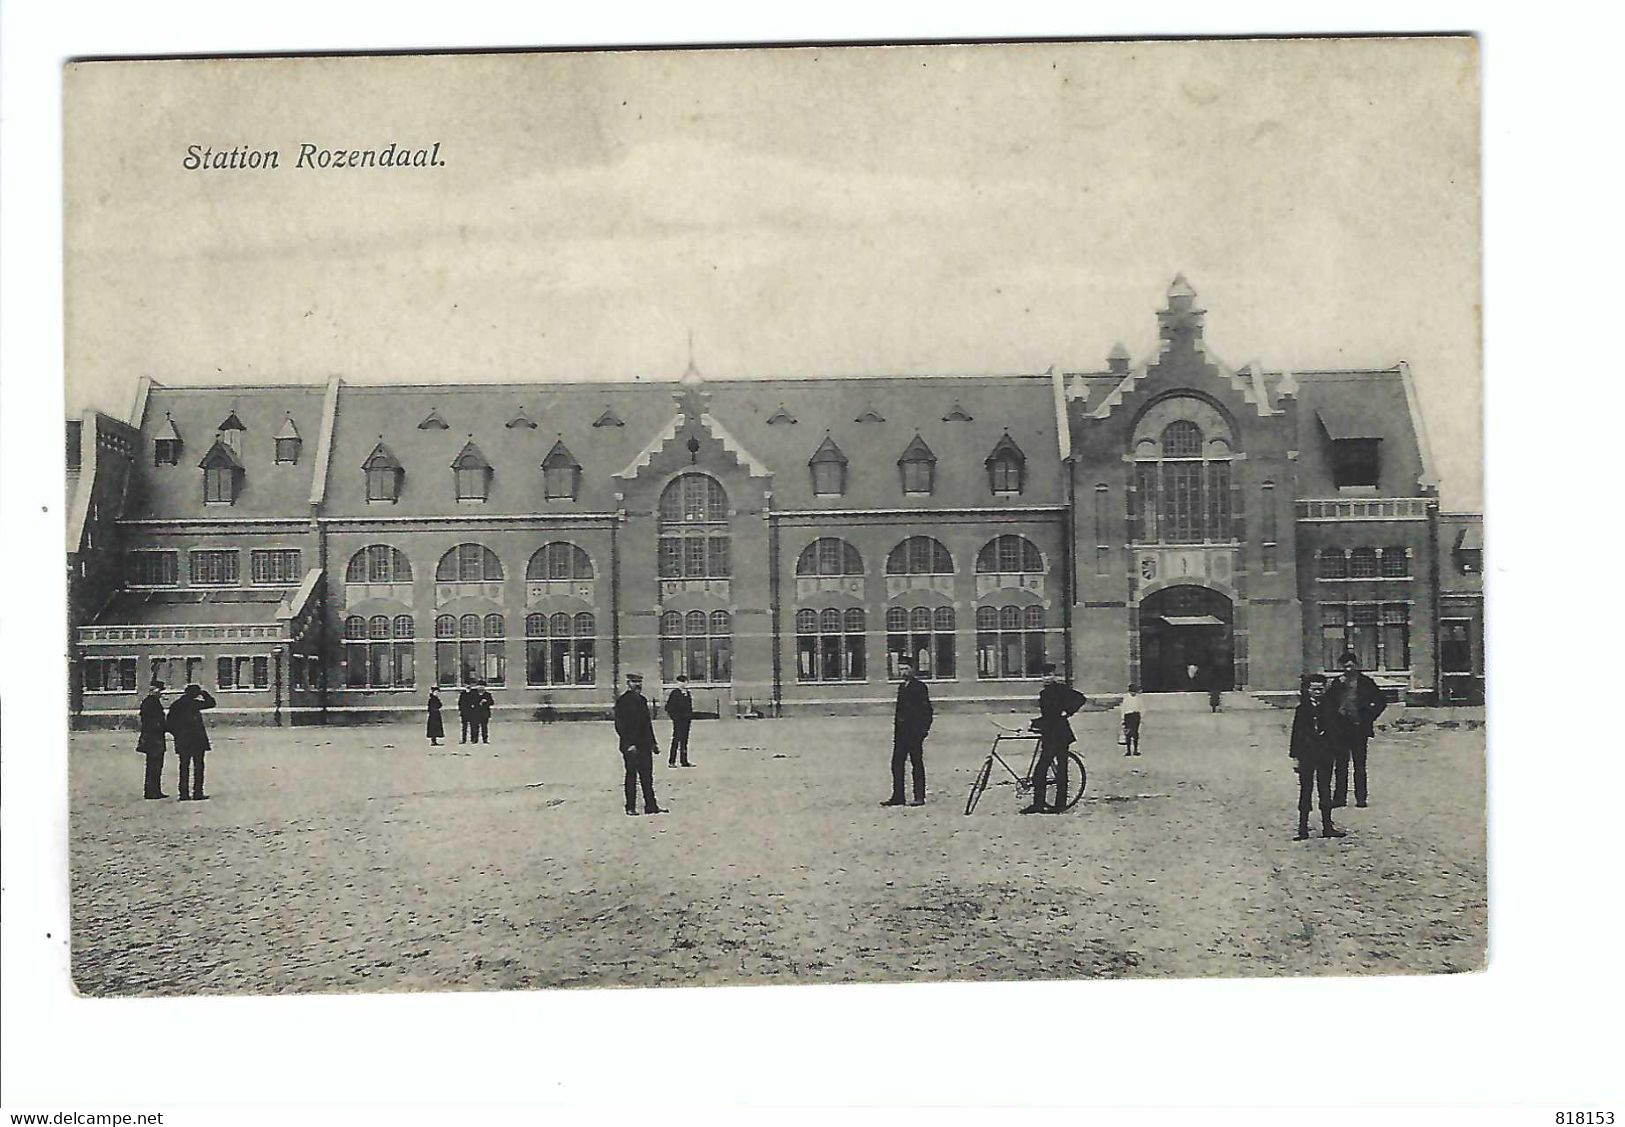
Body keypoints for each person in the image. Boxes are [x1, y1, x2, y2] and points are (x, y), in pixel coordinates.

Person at [1325, 650, 1387, 809]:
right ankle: (1339, 798)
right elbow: (1328, 704)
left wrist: (1369, 717)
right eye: (1345, 667)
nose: (1348, 670)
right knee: (1340, 765)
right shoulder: (1337, 684)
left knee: (1359, 766)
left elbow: (1381, 701)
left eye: (1351, 666)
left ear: (1357, 666)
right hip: (1340, 730)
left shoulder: (1366, 682)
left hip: (1359, 729)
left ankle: (1361, 798)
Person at [1025, 663, 1088, 814]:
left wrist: (1068, 712)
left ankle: (1048, 805)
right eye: (1043, 676)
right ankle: (1047, 805)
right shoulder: (1043, 693)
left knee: (1046, 770)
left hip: (1058, 734)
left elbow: (1081, 698)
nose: (1046, 678)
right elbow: (1048, 715)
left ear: (1054, 675)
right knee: (1054, 769)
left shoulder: (1061, 689)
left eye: (1049, 675)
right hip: (1053, 733)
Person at [1289, 673, 1345, 840]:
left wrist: (1333, 748)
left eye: (1321, 689)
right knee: (1306, 789)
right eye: (1315, 689)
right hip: (1307, 755)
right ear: (1308, 690)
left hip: (1324, 754)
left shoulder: (1330, 708)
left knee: (1325, 788)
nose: (1318, 692)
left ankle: (1328, 826)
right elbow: (1296, 734)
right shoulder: (1302, 710)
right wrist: (1295, 757)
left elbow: (1336, 731)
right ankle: (1302, 828)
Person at [882, 656, 933, 807]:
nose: (903, 671)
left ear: (913, 669)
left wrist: (922, 732)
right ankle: (898, 796)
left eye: (906, 668)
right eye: (901, 668)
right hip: (901, 735)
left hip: (914, 734)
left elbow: (927, 711)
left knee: (916, 764)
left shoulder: (919, 687)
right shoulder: (901, 687)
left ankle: (919, 796)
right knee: (896, 764)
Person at [613, 673, 664, 815]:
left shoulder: (642, 700)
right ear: (628, 683)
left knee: (647, 776)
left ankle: (651, 806)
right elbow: (620, 725)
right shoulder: (623, 701)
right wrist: (629, 744)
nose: (638, 685)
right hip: (631, 747)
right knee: (631, 776)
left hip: (644, 745)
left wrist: (653, 743)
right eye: (634, 682)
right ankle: (630, 807)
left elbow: (647, 724)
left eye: (639, 682)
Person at [165, 683, 216, 801]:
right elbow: (211, 703)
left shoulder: (176, 705)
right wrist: (204, 693)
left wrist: (177, 735)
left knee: (184, 766)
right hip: (197, 740)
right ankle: (198, 792)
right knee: (198, 766)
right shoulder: (194, 704)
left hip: (183, 740)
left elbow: (169, 723)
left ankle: (183, 793)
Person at [137, 680, 169, 799]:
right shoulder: (151, 703)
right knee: (154, 765)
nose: (161, 693)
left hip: (153, 738)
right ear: (154, 690)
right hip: (153, 738)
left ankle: (155, 790)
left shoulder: (150, 702)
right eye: (160, 690)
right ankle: (152, 791)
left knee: (155, 765)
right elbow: (153, 721)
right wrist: (164, 727)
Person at [665, 674, 694, 767]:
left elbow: (689, 706)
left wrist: (689, 716)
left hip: (686, 721)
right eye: (681, 682)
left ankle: (684, 760)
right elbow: (669, 707)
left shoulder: (687, 693)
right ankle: (671, 761)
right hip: (678, 721)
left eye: (685, 682)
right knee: (676, 740)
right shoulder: (675, 694)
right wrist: (675, 718)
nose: (683, 684)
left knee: (684, 741)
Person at [1119, 683, 1143, 757]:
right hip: (1128, 716)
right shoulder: (1126, 698)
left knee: (1135, 733)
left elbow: (1141, 707)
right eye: (1132, 691)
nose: (1133, 693)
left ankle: (1135, 750)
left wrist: (1140, 716)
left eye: (1135, 692)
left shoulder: (1138, 698)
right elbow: (1123, 709)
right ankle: (1128, 750)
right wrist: (1123, 719)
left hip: (1135, 716)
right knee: (1128, 734)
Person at [468, 680, 495, 744]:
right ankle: (474, 739)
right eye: (479, 686)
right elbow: (470, 702)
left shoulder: (487, 694)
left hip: (484, 713)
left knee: (484, 727)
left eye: (482, 686)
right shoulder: (473, 694)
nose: (481, 687)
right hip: (475, 713)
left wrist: (486, 701)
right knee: (474, 727)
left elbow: (492, 702)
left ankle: (485, 739)